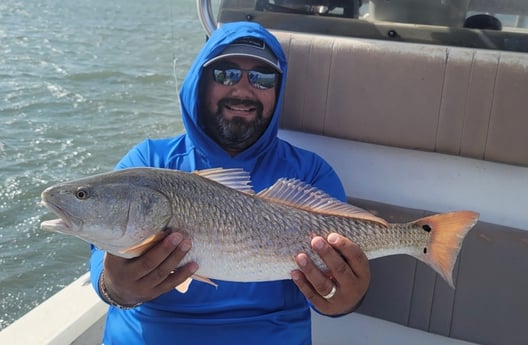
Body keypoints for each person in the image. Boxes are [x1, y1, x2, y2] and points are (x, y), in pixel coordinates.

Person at [89, 21, 370, 344]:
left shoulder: (310, 173)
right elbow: (102, 258)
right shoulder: (149, 163)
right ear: (201, 81)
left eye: (262, 78)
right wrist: (116, 286)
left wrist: (347, 298)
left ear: (278, 92)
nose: (242, 90)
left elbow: (334, 289)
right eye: (226, 74)